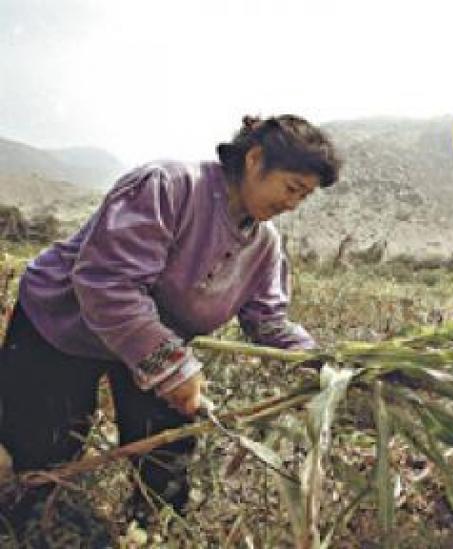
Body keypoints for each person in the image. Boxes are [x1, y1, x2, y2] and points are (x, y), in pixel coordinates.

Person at [0, 114, 341, 530]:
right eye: (292, 188)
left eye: (303, 197)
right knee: (45, 447)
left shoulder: (264, 245)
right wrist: (173, 366)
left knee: (167, 454)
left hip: (152, 349)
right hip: (62, 327)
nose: (292, 204)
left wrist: (321, 362)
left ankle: (157, 526)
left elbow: (268, 321)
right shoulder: (167, 187)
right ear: (255, 160)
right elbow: (108, 284)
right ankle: (36, 516)